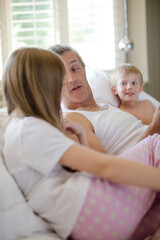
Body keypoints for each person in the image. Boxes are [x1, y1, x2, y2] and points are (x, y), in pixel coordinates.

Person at [3, 47, 160, 240]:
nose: (67, 83)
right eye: (59, 82)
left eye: (74, 70)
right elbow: (104, 167)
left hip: (91, 224)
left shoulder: (20, 128)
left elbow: (76, 172)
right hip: (91, 209)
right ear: (41, 86)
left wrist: (82, 139)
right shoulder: (29, 128)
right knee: (155, 143)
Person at [49, 44, 160, 156]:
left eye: (75, 69)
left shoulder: (107, 105)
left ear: (84, 70)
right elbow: (107, 170)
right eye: (61, 75)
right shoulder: (72, 120)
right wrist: (154, 129)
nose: (72, 79)